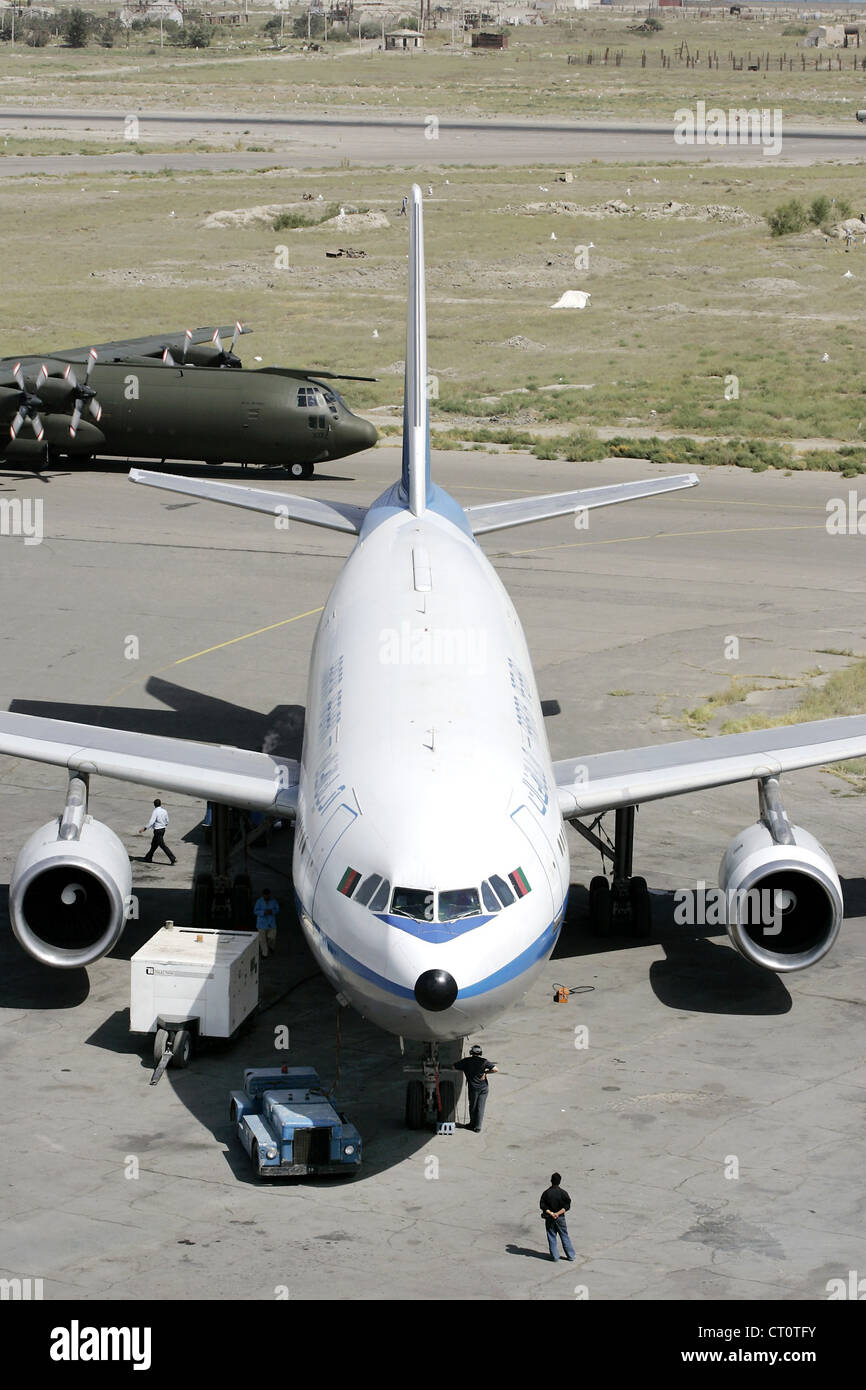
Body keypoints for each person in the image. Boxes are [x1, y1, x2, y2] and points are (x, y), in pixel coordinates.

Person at [454, 1044, 497, 1133]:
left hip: (474, 1088)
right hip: (484, 1088)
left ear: (471, 1052)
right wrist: (486, 1072)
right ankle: (478, 1127)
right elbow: (496, 1069)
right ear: (480, 1053)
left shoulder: (467, 1061)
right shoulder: (484, 1061)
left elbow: (453, 1066)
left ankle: (472, 1124)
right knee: (480, 1106)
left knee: (473, 1106)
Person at [539, 1172, 576, 1262]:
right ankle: (570, 1256)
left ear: (551, 1181)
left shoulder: (546, 1193)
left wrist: (551, 1213)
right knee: (564, 1236)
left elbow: (542, 1205)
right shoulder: (563, 1193)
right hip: (560, 1218)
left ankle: (555, 1257)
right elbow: (567, 1206)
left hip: (550, 1218)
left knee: (551, 1236)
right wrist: (558, 1213)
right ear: (559, 1181)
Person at [139, 799, 176, 865]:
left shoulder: (155, 811)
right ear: (160, 804)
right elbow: (167, 821)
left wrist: (145, 828)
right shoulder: (164, 811)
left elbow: (151, 821)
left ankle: (172, 858)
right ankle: (148, 857)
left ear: (154, 804)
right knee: (154, 845)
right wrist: (163, 825)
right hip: (163, 830)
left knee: (162, 845)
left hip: (157, 831)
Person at [253, 887, 280, 957]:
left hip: (271, 924)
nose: (267, 896)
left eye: (268, 895)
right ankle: (264, 954)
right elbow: (255, 911)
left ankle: (271, 946)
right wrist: (263, 912)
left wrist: (272, 911)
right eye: (265, 895)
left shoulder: (273, 901)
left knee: (272, 937)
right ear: (263, 895)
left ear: (269, 895)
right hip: (261, 924)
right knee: (262, 940)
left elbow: (277, 909)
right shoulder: (259, 901)